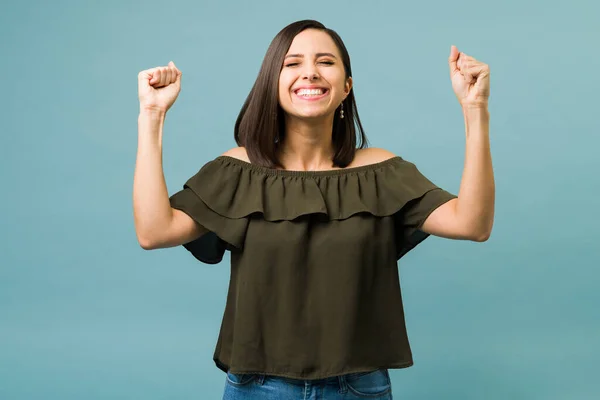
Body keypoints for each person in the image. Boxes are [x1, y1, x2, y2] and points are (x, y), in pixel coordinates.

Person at [133, 19, 494, 400]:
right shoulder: (237, 170)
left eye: (325, 62)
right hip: (257, 387)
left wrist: (475, 109)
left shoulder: (381, 171)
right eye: (292, 63)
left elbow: (473, 223)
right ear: (273, 82)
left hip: (358, 388)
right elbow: (154, 231)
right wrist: (152, 116)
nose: (310, 72)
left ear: (346, 86)